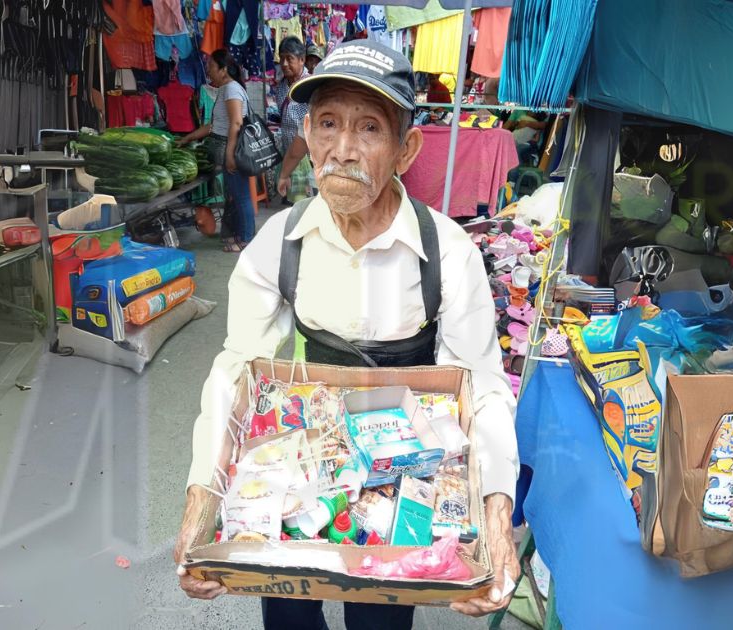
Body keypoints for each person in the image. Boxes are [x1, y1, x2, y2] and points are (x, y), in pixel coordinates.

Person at [175, 41, 520, 630]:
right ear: (306, 133)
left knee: (381, 622)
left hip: (400, 476)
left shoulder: (448, 254)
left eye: (369, 129)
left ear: (406, 149)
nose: (343, 150)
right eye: (329, 124)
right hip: (298, 459)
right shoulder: (277, 244)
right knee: (286, 612)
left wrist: (495, 511)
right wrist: (202, 498)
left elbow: (482, 385)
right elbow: (236, 369)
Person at [177, 49, 255, 253]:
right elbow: (213, 125)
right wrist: (188, 138)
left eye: (211, 66)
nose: (208, 71)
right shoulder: (226, 89)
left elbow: (236, 122)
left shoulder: (231, 90)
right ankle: (238, 235)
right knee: (236, 196)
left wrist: (229, 154)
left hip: (234, 150)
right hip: (228, 148)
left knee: (242, 196)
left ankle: (246, 240)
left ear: (223, 69)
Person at [272, 38, 315, 203]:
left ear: (301, 59)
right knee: (290, 199)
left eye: (289, 59)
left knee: (304, 201)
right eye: (282, 58)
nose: (284, 64)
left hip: (306, 153)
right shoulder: (282, 85)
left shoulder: (310, 85)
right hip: (288, 149)